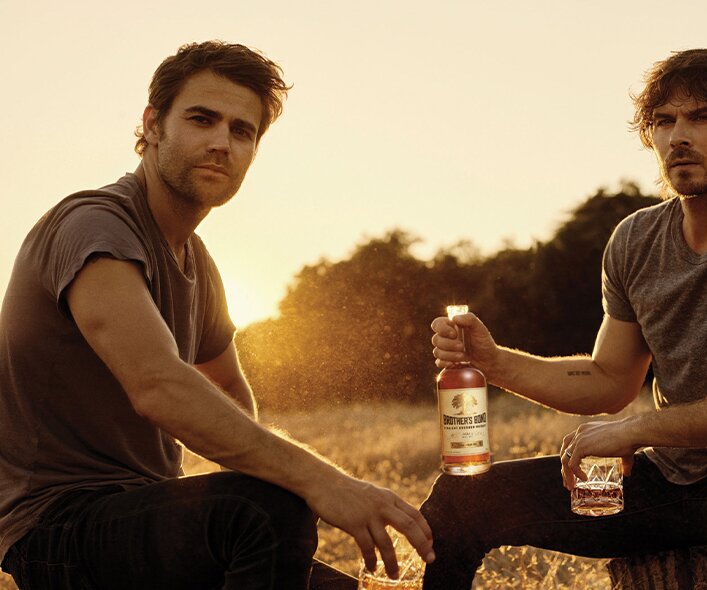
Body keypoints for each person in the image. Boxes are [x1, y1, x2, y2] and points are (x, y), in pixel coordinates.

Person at [0, 40, 433, 590]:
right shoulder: (94, 226)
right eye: (202, 119)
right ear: (152, 124)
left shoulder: (196, 263)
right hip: (58, 527)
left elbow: (230, 392)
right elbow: (158, 384)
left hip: (147, 517)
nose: (221, 143)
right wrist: (322, 483)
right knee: (259, 509)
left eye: (241, 130)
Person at [426, 48, 707, 589]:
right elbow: (608, 380)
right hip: (668, 485)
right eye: (663, 121)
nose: (678, 136)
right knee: (462, 498)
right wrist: (493, 362)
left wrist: (637, 428)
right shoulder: (635, 238)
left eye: (701, 117)